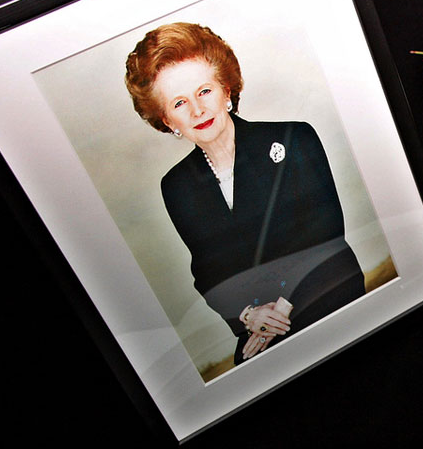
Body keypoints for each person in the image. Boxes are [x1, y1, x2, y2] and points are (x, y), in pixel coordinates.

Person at [125, 22, 365, 364]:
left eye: (204, 91)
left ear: (226, 90)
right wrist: (248, 316)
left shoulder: (294, 138)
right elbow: (207, 271)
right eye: (179, 103)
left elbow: (324, 231)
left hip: (325, 291)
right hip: (256, 322)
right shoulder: (176, 186)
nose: (197, 110)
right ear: (167, 121)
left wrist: (275, 315)